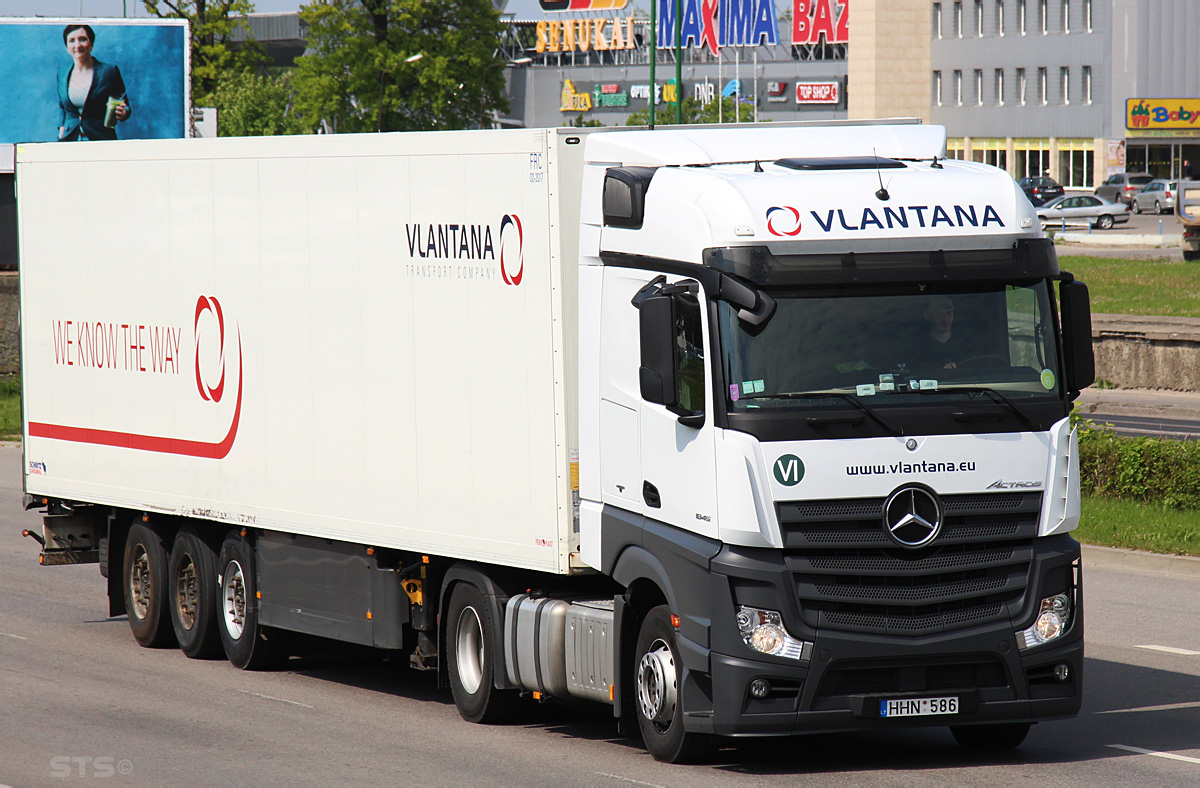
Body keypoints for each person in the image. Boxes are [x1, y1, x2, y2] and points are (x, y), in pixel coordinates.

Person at [57, 24, 130, 142]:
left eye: (83, 39)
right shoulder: (62, 74)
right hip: (69, 140)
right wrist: (61, 127)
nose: (77, 45)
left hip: (101, 139)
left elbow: (124, 104)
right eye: (72, 41)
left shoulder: (109, 72)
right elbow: (62, 104)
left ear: (91, 44)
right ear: (67, 47)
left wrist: (124, 112)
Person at [915, 295, 971, 369]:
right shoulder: (918, 347)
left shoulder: (966, 342)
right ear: (927, 316)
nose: (946, 320)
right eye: (939, 315)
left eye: (949, 313)